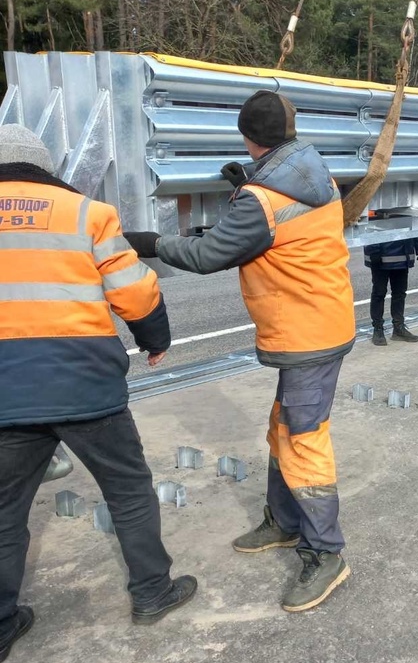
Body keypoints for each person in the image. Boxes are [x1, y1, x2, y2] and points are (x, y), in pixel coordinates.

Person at [124, 90, 355, 614]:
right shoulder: (315, 171)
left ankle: (325, 552)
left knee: (303, 440)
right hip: (318, 323)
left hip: (306, 335)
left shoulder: (263, 199)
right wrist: (249, 187)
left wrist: (149, 243)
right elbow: (288, 230)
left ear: (247, 138)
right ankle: (284, 520)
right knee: (284, 427)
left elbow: (209, 254)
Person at [0, 125, 197, 663]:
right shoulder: (85, 213)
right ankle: (153, 594)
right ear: (42, 166)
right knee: (128, 490)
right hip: (84, 383)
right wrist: (154, 339)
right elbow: (132, 289)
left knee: (3, 510)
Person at [363, 235, 418, 346]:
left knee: (399, 293)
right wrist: (374, 249)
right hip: (381, 254)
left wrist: (417, 240)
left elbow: (412, 222)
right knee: (379, 293)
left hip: (403, 253)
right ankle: (378, 329)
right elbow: (372, 225)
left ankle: (398, 328)